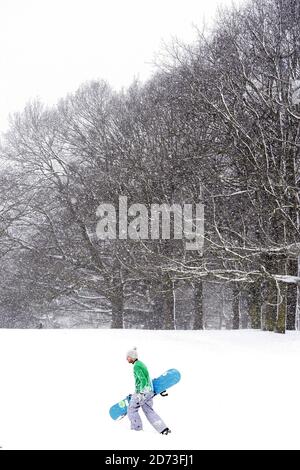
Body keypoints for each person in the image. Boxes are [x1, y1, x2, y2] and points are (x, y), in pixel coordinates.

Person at [126, 347, 171, 435]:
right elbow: (146, 378)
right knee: (148, 410)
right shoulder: (140, 364)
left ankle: (136, 429)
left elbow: (143, 380)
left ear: (132, 357)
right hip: (148, 391)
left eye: (128, 357)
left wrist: (141, 393)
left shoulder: (136, 366)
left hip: (143, 392)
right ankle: (163, 429)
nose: (126, 359)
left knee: (131, 409)